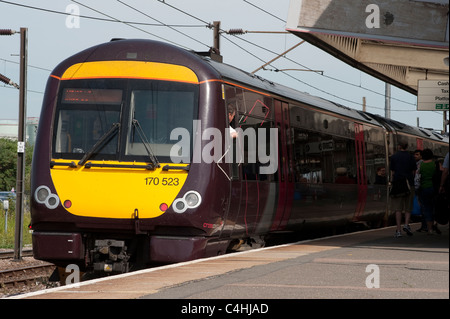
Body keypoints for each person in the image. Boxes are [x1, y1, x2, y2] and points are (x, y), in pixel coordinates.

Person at [389, 141, 416, 238]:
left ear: (399, 146)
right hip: (409, 183)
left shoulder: (394, 157)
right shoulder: (411, 157)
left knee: (398, 209)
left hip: (398, 184)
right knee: (408, 207)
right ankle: (406, 224)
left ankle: (398, 230)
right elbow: (414, 171)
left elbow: (392, 172)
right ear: (407, 147)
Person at [417, 149, 436, 235]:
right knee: (435, 207)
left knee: (427, 208)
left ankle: (430, 229)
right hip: (434, 188)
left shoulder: (421, 165)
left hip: (424, 188)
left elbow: (417, 176)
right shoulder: (434, 164)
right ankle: (436, 224)